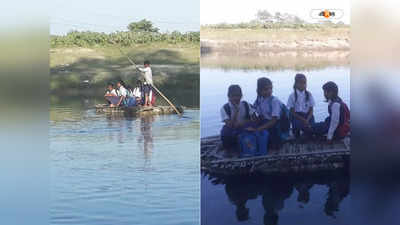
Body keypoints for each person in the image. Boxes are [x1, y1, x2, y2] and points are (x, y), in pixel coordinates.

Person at [247, 77, 284, 149]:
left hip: (275, 124)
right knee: (248, 126)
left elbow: (274, 120)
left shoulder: (274, 101)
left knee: (274, 145)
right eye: (266, 89)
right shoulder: (259, 99)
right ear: (259, 91)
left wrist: (259, 128)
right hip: (265, 121)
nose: (269, 91)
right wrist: (253, 118)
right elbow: (254, 111)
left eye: (270, 88)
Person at [220, 85, 253, 156]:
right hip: (232, 128)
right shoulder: (225, 108)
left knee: (251, 131)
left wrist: (243, 123)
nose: (236, 98)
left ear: (241, 96)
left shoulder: (246, 105)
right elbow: (229, 125)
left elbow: (254, 119)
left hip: (244, 126)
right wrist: (236, 111)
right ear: (229, 96)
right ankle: (228, 149)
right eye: (233, 96)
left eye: (238, 96)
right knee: (225, 133)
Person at [287, 74, 315, 139]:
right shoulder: (292, 96)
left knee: (311, 130)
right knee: (297, 128)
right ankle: (296, 133)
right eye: (301, 83)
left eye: (304, 83)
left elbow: (311, 110)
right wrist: (303, 120)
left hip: (308, 116)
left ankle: (307, 133)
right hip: (297, 116)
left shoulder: (309, 94)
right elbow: (292, 112)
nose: (303, 85)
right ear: (296, 84)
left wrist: (307, 119)